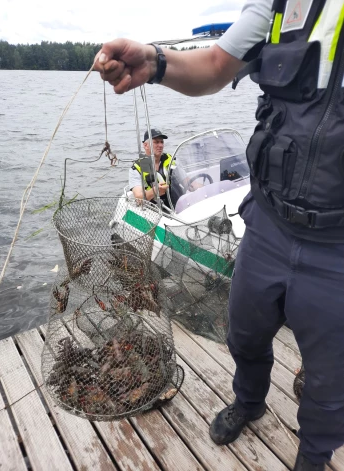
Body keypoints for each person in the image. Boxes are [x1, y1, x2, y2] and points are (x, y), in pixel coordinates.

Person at [94, 1, 344, 469]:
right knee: (245, 333)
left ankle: (313, 457)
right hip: (266, 224)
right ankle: (249, 402)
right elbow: (213, 65)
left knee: (331, 381)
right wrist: (154, 62)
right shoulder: (282, 7)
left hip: (337, 249)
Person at [129, 128, 173, 206]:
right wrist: (155, 191)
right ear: (145, 145)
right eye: (156, 142)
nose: (160, 145)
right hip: (155, 210)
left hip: (176, 203)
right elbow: (139, 199)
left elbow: (185, 180)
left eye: (161, 142)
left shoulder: (169, 158)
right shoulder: (137, 168)